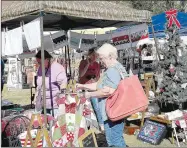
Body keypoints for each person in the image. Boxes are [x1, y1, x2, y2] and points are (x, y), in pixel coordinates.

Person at [76, 43, 128, 147]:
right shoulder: (115, 68)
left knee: (114, 142)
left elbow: (108, 91)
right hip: (114, 111)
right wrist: (83, 86)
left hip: (113, 112)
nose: (101, 61)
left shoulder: (113, 70)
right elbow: (100, 85)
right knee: (117, 139)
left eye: (102, 58)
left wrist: (89, 95)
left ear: (110, 56)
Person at [35, 50, 67, 117]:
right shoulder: (40, 69)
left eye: (40, 62)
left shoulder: (58, 68)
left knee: (54, 126)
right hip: (43, 105)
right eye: (38, 62)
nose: (39, 64)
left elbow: (63, 85)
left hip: (55, 106)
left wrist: (61, 103)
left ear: (47, 59)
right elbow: (39, 86)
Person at [78, 48, 104, 131]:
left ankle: (101, 124)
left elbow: (98, 77)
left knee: (96, 107)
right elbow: (81, 75)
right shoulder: (83, 62)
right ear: (89, 55)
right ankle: (86, 126)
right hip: (84, 88)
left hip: (93, 88)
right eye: (93, 55)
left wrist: (95, 81)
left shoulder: (97, 64)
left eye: (96, 55)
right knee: (85, 108)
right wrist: (87, 64)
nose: (94, 57)